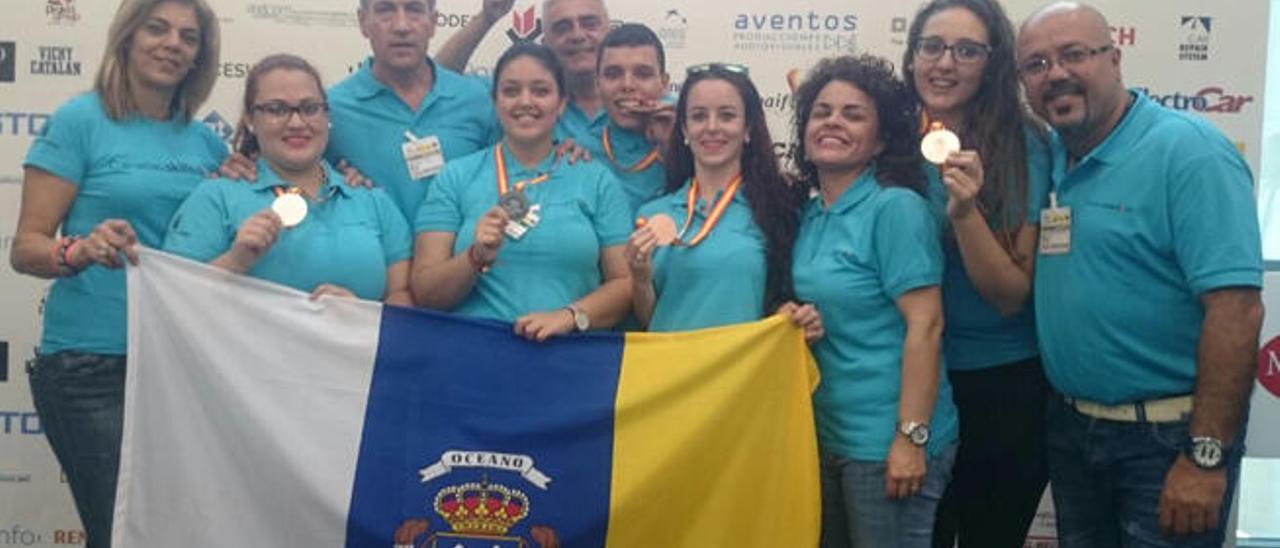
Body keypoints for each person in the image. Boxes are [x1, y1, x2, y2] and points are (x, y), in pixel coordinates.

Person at [1018, 3, 1263, 546]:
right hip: (1073, 433)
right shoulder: (1053, 157)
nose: (1055, 73)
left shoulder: (1190, 153)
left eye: (1073, 54)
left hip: (1167, 440)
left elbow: (1237, 311)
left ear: (1115, 58)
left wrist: (1205, 457)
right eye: (1035, 64)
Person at [8, 1, 225, 545]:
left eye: (188, 36)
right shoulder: (80, 120)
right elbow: (26, 247)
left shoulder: (210, 144)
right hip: (91, 365)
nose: (172, 43)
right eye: (157, 28)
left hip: (180, 365)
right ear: (126, 37)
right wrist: (78, 250)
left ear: (201, 56)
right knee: (125, 534)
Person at [789, 55, 958, 548]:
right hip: (825, 437)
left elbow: (925, 326)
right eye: (821, 112)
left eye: (853, 114)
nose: (833, 122)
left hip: (886, 444)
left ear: (882, 139)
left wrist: (910, 438)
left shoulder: (895, 208)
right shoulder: (810, 212)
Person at [901, 1, 1052, 546]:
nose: (945, 63)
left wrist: (965, 213)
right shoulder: (886, 138)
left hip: (1001, 381)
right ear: (912, 54)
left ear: (993, 63)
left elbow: (1011, 296)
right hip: (910, 379)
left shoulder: (1024, 144)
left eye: (967, 50)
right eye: (932, 46)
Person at [411, 43, 631, 341]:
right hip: (471, 357)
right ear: (495, 100)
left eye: (541, 91)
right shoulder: (457, 176)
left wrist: (569, 316)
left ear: (562, 102)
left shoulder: (596, 180)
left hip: (569, 360)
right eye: (511, 91)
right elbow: (425, 293)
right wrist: (474, 258)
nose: (525, 102)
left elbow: (626, 283)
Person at [163, 54, 412, 306]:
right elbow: (170, 298)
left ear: (327, 115)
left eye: (310, 108)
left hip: (352, 346)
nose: (296, 122)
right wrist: (234, 262)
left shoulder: (371, 199)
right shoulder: (216, 197)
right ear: (250, 119)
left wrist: (359, 314)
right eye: (276, 109)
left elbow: (402, 296)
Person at [221, 0, 499, 221]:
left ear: (434, 22)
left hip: (465, 279)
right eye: (385, 10)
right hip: (368, 282)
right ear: (363, 22)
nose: (401, 25)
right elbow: (284, 170)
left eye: (414, 9)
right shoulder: (328, 110)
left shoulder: (478, 99)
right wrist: (243, 167)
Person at [624, 63, 817, 340]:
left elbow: (786, 300)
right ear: (684, 130)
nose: (712, 128)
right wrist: (640, 278)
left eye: (727, 116)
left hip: (741, 376)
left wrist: (791, 314)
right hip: (670, 375)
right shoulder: (652, 215)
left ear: (747, 128)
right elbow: (649, 319)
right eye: (699, 116)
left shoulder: (781, 208)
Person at [436, 0, 613, 144]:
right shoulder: (514, 96)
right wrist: (486, 19)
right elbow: (438, 79)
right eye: (562, 27)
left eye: (589, 24)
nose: (577, 35)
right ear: (545, 42)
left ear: (610, 31)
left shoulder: (634, 98)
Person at [585, 23, 674, 215]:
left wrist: (673, 149)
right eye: (613, 74)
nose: (627, 85)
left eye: (642, 74)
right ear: (597, 84)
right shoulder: (579, 152)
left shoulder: (692, 141)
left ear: (664, 84)